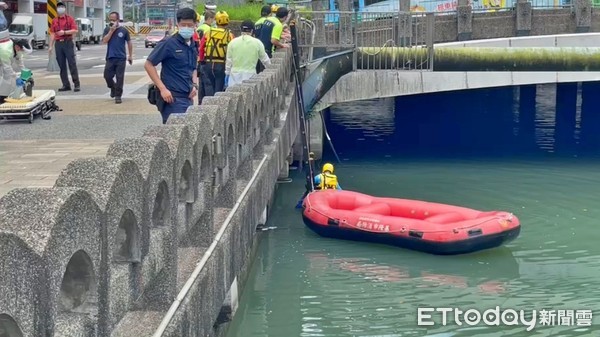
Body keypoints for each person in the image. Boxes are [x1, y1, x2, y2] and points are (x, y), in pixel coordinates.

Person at [144, 7, 199, 124]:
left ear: (195, 25)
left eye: (190, 25)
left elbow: (194, 67)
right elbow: (149, 64)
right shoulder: (168, 43)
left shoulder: (193, 45)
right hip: (172, 98)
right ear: (178, 24)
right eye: (183, 25)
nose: (187, 28)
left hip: (188, 97)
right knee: (175, 134)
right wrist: (162, 89)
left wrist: (194, 85)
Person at [225, 20, 270, 88]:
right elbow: (265, 60)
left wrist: (227, 74)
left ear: (241, 30)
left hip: (234, 76)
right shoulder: (257, 43)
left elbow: (229, 61)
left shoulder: (232, 43)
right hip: (250, 76)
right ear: (252, 31)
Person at [199, 10, 234, 96]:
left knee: (209, 86)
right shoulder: (229, 35)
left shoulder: (208, 33)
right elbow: (232, 50)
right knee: (219, 88)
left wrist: (201, 60)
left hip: (208, 64)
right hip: (222, 64)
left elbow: (201, 48)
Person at [48, 1, 80, 92]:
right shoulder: (54, 20)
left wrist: (65, 32)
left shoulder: (70, 19)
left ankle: (76, 84)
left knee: (72, 64)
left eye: (62, 7)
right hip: (58, 44)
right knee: (61, 65)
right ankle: (66, 85)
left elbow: (75, 30)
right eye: (58, 7)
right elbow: (52, 34)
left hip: (68, 42)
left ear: (65, 9)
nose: (60, 8)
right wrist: (50, 46)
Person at [102, 11, 133, 104]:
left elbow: (129, 43)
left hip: (121, 58)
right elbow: (104, 41)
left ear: (118, 20)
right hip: (110, 57)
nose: (111, 21)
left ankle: (118, 95)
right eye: (110, 20)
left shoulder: (123, 30)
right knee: (107, 76)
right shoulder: (107, 29)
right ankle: (113, 87)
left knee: (120, 77)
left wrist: (130, 56)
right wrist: (111, 31)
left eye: (113, 20)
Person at [253, 5, 272, 74]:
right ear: (270, 14)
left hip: (256, 49)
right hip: (267, 49)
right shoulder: (269, 23)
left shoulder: (256, 23)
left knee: (258, 71)